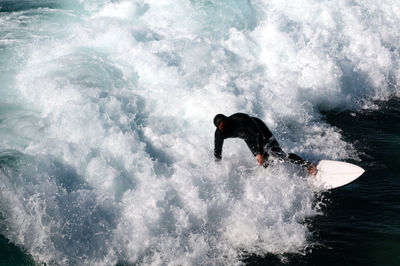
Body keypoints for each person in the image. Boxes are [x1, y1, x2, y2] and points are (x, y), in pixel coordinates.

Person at [213, 113, 317, 174]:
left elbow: (258, 134)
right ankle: (279, 175)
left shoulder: (241, 119)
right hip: (249, 139)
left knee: (280, 155)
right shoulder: (220, 134)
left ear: (228, 120)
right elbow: (217, 152)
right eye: (222, 129)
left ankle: (307, 165)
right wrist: (218, 167)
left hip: (261, 131)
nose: (226, 130)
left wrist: (260, 153)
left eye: (226, 126)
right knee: (264, 163)